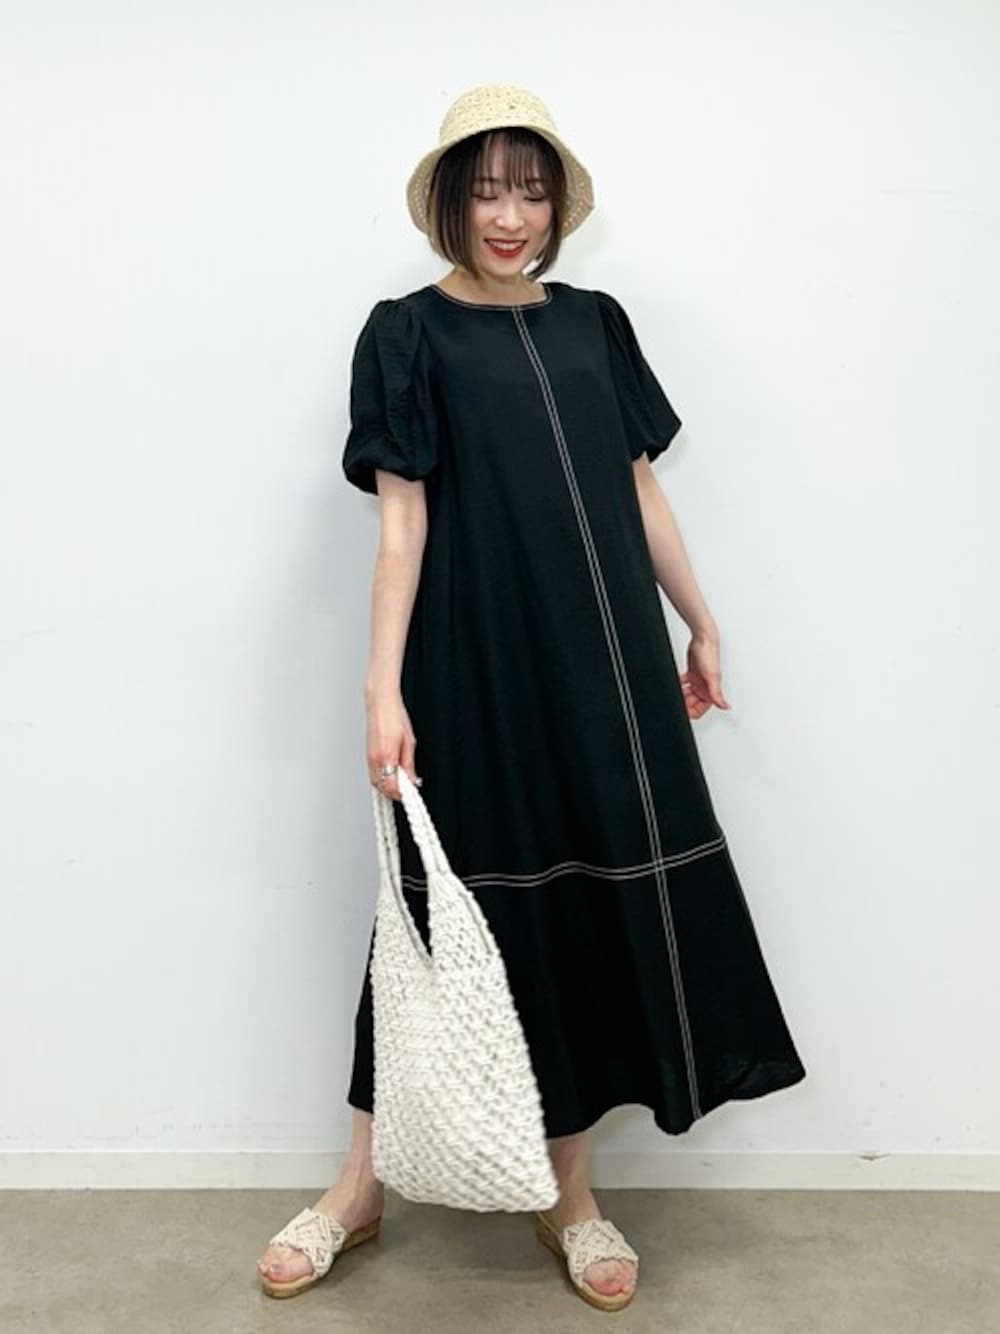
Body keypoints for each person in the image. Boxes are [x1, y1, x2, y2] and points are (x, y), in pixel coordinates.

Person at [257, 82, 807, 1310]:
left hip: (607, 665)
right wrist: (380, 687)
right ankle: (359, 1183)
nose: (511, 216)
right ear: (451, 202)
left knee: (588, 910)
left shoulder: (596, 323)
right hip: (474, 666)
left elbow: (639, 487)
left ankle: (571, 1194)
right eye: (488, 191)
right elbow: (402, 523)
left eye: (532, 191)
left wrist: (701, 619)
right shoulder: (405, 333)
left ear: (558, 207)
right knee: (436, 916)